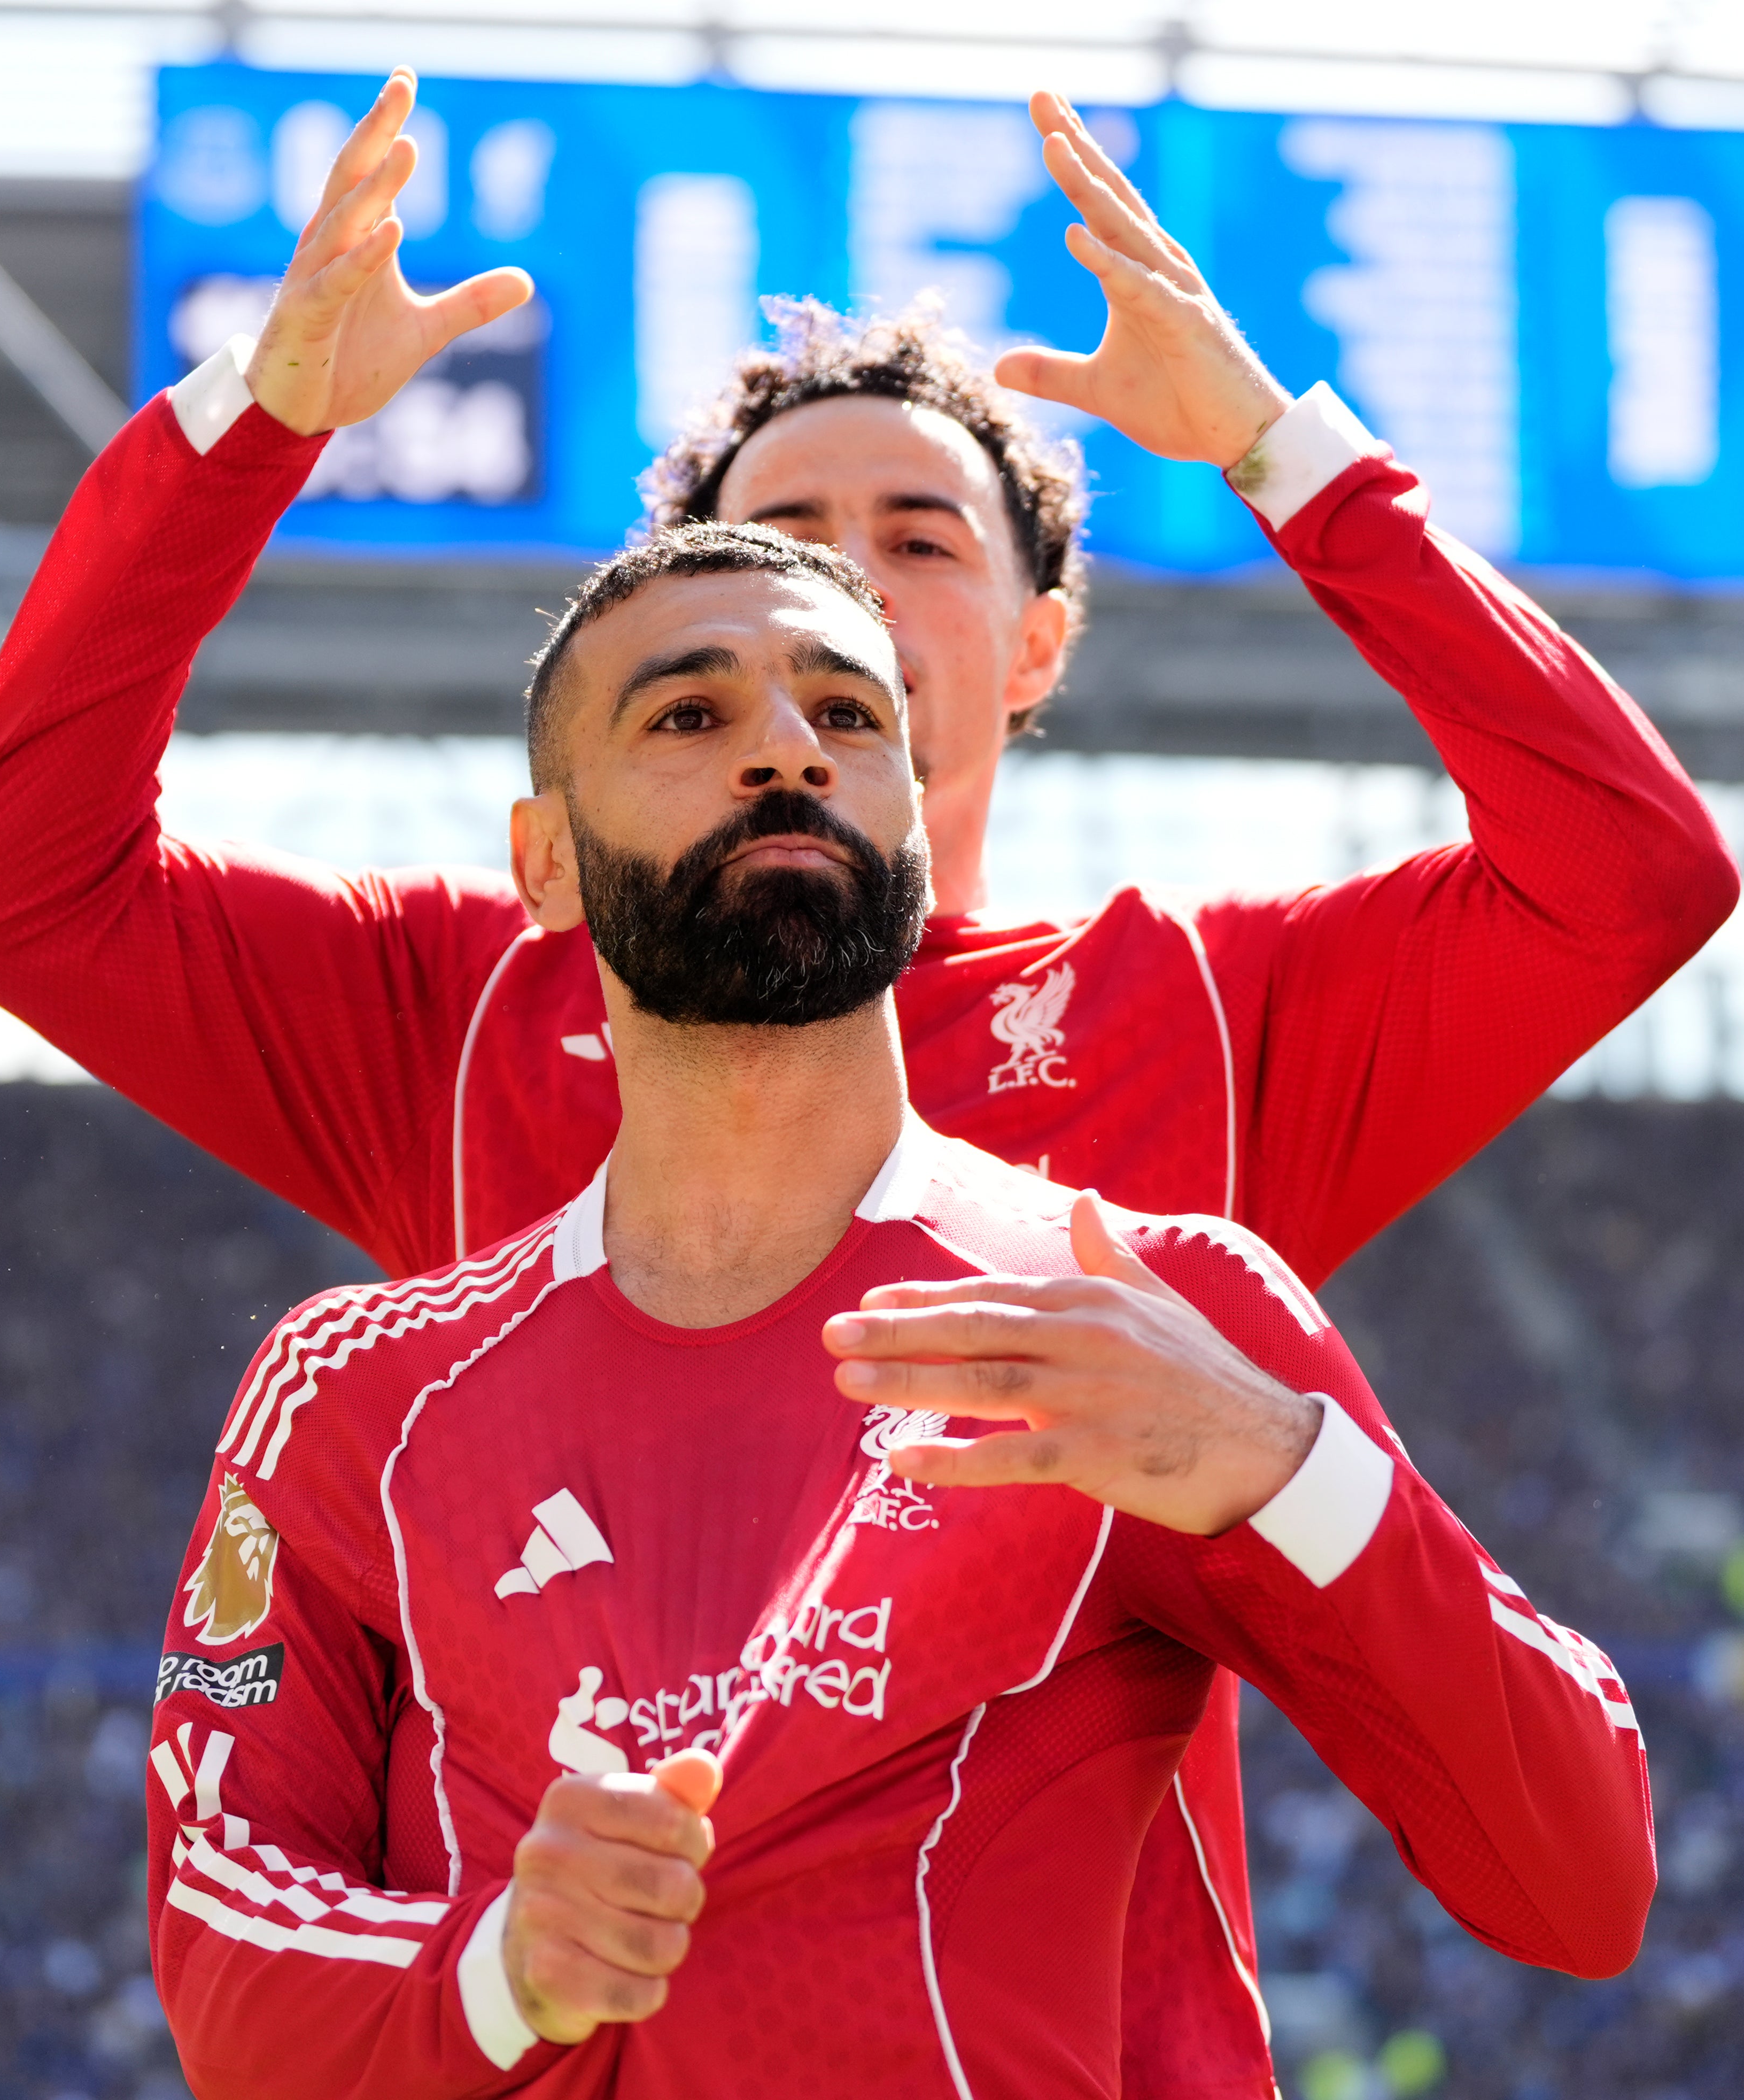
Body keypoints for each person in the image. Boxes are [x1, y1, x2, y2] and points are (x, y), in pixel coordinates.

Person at [0, 74, 1732, 2096]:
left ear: (1032, 649)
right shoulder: (473, 1006)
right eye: (769, 556)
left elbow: (1631, 873)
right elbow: (11, 877)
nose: (837, 590)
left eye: (913, 542)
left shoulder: (1196, 1024)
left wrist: (1290, 458)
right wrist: (244, 428)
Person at [138, 518, 1655, 2098]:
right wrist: (502, 1970)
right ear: (544, 865)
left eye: (846, 714)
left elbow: (1578, 1880)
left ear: (916, 834)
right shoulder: (353, 1391)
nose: (787, 751)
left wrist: (1282, 1463)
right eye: (689, 714)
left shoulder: (1140, 1313)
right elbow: (226, 1944)